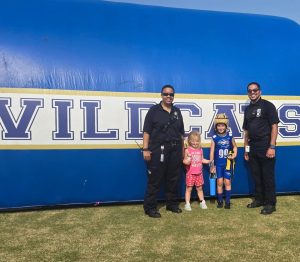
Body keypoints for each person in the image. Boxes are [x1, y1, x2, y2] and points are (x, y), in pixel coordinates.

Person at [142, 84, 185, 218]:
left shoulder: (177, 112)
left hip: (175, 149)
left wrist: (183, 152)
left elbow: (181, 134)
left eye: (171, 94)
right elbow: (146, 131)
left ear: (173, 96)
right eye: (166, 94)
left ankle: (171, 204)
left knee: (173, 178)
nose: (168, 96)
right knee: (155, 179)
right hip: (158, 150)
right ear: (161, 95)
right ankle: (150, 207)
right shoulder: (154, 111)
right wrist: (145, 149)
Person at [243, 82, 279, 215]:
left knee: (267, 176)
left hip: (265, 145)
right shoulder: (247, 109)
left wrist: (272, 146)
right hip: (252, 146)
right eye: (250, 91)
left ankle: (270, 203)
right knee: (256, 175)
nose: (252, 92)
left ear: (260, 91)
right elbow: (246, 132)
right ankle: (259, 199)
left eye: (255, 90)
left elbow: (274, 127)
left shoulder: (268, 106)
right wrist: (246, 150)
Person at [210, 113, 237, 209]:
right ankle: (220, 201)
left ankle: (228, 202)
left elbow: (234, 147)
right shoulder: (214, 138)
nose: (220, 127)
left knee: (227, 182)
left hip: (227, 164)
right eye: (218, 125)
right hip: (218, 164)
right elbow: (212, 151)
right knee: (219, 182)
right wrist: (212, 164)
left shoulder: (230, 136)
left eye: (222, 125)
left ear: (226, 126)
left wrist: (234, 154)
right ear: (216, 127)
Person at [183, 131, 210, 211]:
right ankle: (187, 204)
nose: (195, 143)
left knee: (200, 188)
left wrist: (209, 161)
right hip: (190, 174)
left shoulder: (200, 150)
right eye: (193, 141)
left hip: (199, 173)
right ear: (189, 141)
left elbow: (202, 160)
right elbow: (184, 161)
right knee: (189, 189)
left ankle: (202, 202)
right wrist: (187, 161)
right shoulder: (187, 150)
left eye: (197, 141)